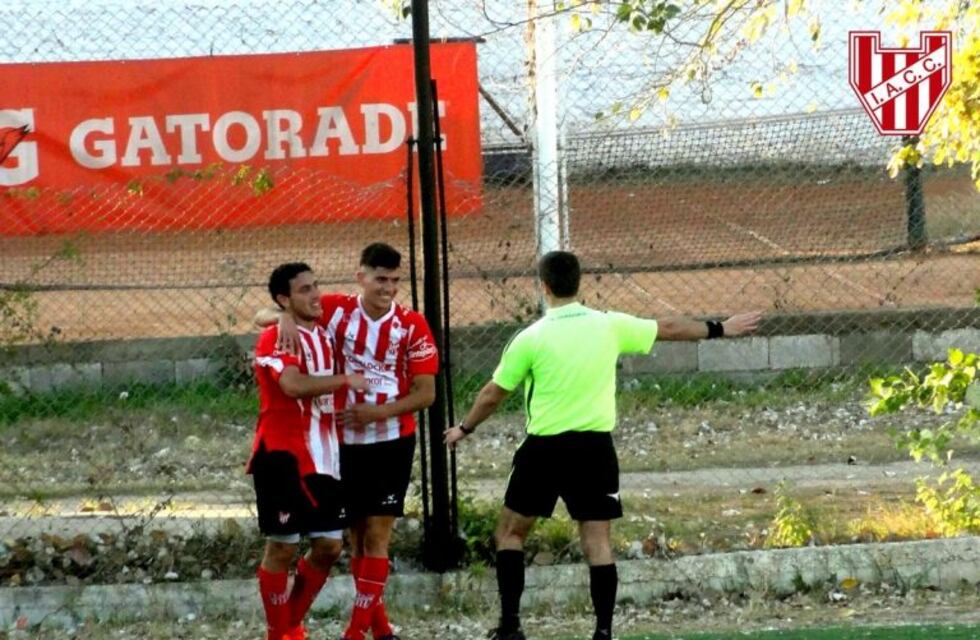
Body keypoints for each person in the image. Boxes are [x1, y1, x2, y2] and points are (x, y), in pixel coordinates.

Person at [444, 250, 762, 640]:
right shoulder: (608, 326)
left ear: (544, 287)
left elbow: (494, 393)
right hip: (594, 450)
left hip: (543, 450)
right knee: (597, 541)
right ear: (579, 283)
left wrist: (465, 427)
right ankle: (603, 632)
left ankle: (510, 626)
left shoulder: (531, 337)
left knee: (510, 533)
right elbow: (668, 326)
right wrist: (720, 328)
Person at [259, 243, 439, 640]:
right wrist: (281, 317)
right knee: (352, 541)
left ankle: (356, 633)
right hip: (340, 445)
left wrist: (379, 412)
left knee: (376, 538)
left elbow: (426, 394)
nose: (388, 288)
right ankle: (377, 628)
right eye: (380, 279)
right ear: (361, 278)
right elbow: (271, 311)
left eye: (394, 281)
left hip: (391, 440)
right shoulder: (336, 310)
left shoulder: (412, 325)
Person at [249, 262, 370, 640]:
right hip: (283, 456)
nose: (315, 294)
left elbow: (263, 313)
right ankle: (281, 634)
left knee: (330, 546)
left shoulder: (324, 327)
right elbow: (292, 385)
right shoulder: (274, 338)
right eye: (304, 290)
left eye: (316, 286)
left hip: (325, 456)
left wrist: (279, 313)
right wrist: (345, 379)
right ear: (286, 298)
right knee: (282, 548)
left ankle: (288, 627)